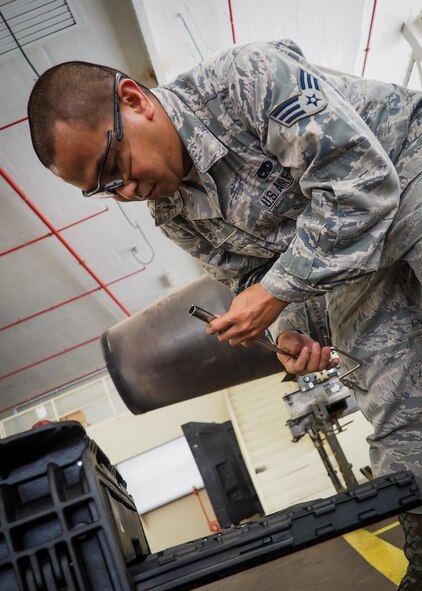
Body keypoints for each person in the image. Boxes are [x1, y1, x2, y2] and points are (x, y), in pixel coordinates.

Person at [27, 39, 421, 588]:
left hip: (406, 173)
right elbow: (250, 279)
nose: (130, 190)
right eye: (106, 190)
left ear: (134, 99)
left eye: (116, 165)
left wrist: (278, 292)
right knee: (394, 407)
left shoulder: (242, 80)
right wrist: (286, 331)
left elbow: (362, 186)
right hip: (355, 264)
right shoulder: (172, 212)